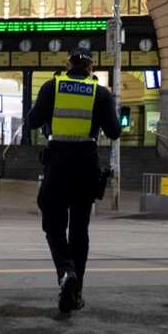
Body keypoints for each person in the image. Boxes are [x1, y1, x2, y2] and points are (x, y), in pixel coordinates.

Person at [25, 46, 121, 315]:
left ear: (68, 65)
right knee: (80, 230)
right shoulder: (100, 93)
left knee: (53, 225)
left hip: (57, 165)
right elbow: (114, 132)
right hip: (86, 166)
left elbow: (32, 122)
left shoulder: (52, 86)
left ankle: (66, 272)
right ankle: (75, 293)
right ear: (91, 68)